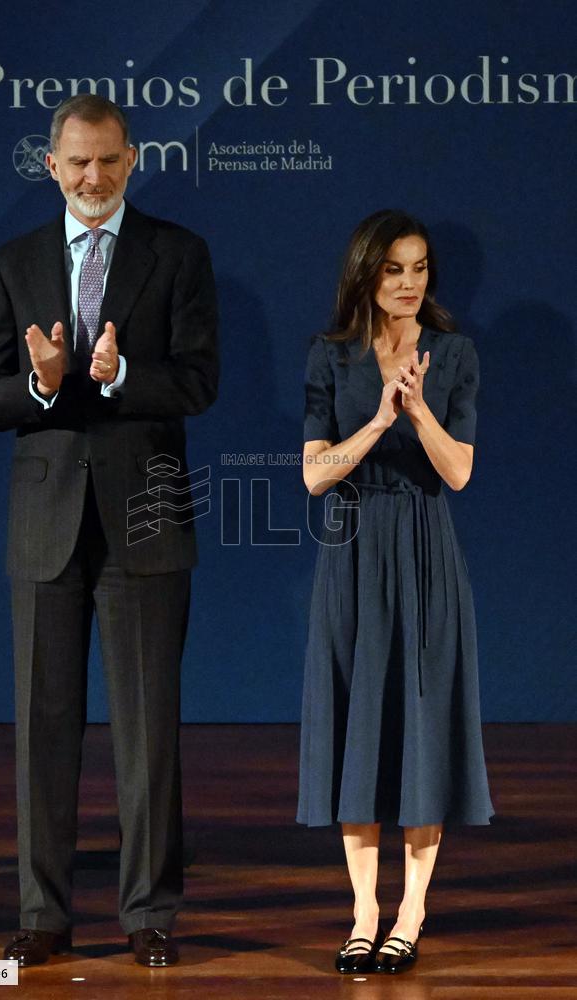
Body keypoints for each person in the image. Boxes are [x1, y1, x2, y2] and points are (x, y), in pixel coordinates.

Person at [0, 94, 218, 968]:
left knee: (148, 727)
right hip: (45, 525)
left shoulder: (178, 253)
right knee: (43, 727)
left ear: (132, 159)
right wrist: (42, 385)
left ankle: (150, 910)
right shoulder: (13, 261)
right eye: (77, 161)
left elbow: (197, 384)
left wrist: (119, 377)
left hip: (145, 520)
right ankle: (42, 913)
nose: (93, 177)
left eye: (108, 161)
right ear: (51, 164)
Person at [296, 210, 493, 975]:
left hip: (422, 551)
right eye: (393, 270)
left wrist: (418, 410)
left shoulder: (456, 355)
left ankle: (410, 912)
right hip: (350, 551)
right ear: (366, 275)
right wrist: (380, 419)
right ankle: (363, 913)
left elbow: (458, 472)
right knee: (354, 724)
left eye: (418, 269)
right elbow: (315, 474)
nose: (409, 284)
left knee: (419, 721)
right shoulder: (331, 356)